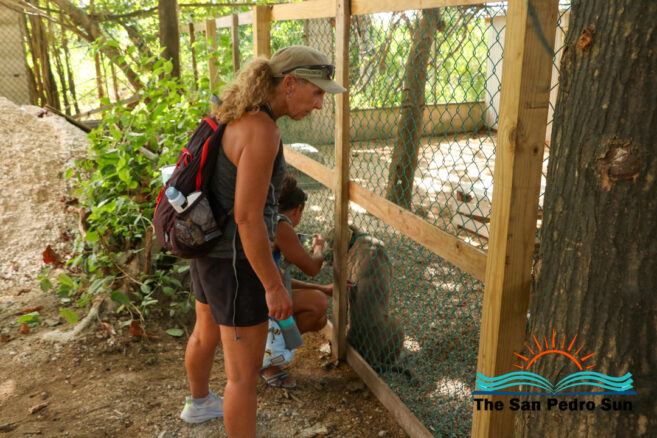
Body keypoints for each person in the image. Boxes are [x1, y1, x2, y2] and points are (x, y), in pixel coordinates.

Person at [179, 46, 346, 437]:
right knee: (242, 376)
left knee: (204, 332)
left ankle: (199, 403)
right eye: (317, 92)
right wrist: (273, 285)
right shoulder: (262, 130)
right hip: (237, 264)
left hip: (209, 250)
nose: (320, 104)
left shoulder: (236, 114)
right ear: (289, 84)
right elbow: (248, 217)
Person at [260, 175, 332, 388]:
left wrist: (323, 288)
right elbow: (312, 268)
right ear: (298, 209)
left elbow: (279, 279)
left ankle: (264, 351)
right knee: (317, 303)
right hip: (257, 300)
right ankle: (268, 362)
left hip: (242, 292)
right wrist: (319, 248)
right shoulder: (281, 224)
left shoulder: (264, 216)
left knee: (320, 321)